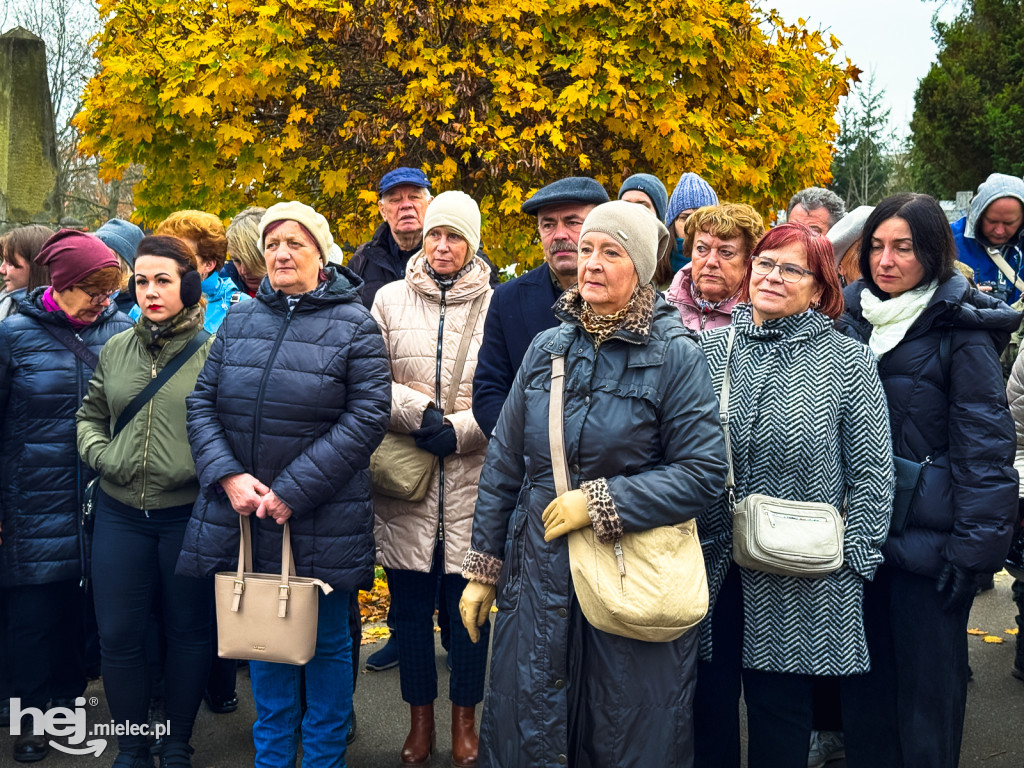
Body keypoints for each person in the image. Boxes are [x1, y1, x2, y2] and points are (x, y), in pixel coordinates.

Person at [460, 200, 728, 767]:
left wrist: (604, 502)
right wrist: (483, 570)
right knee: (533, 730)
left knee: (621, 734)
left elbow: (704, 472)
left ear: (642, 267)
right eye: (586, 250)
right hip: (538, 575)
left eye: (611, 252)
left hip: (630, 577)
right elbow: (504, 464)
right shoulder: (546, 348)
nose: (592, 264)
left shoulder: (675, 355)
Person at [176, 201, 391, 768]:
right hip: (247, 512)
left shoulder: (356, 324)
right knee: (263, 638)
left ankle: (322, 758)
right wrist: (228, 475)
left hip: (322, 515)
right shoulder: (241, 319)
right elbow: (201, 404)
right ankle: (271, 758)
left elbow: (368, 417)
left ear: (322, 254)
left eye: (295, 243)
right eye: (272, 244)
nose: (281, 253)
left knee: (326, 644)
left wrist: (293, 490)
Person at [694, 223, 894, 768]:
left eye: (791, 269)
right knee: (707, 711)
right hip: (712, 565)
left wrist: (854, 564)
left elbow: (873, 473)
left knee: (780, 718)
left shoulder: (846, 361)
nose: (772, 277)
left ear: (820, 288)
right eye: (765, 263)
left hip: (801, 573)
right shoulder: (708, 351)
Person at [837, 193, 1019, 768]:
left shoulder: (959, 330)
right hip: (859, 544)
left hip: (930, 551)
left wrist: (975, 553)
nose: (886, 261)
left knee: (926, 705)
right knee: (864, 703)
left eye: (904, 248)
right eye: (876, 247)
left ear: (934, 252)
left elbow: (986, 450)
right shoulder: (850, 320)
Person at [76, 235, 215, 768]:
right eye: (141, 281)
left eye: (163, 280)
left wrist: (198, 470)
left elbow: (226, 431)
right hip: (120, 515)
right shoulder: (116, 348)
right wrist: (103, 456)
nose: (150, 291)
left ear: (189, 285)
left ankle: (177, 741)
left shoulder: (214, 351)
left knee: (188, 632)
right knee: (118, 635)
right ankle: (133, 745)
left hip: (187, 516)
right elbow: (90, 416)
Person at [370, 191, 493, 767]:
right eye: (435, 235)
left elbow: (507, 390)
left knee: (469, 618)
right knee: (410, 617)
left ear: (473, 242)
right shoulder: (389, 299)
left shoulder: (496, 304)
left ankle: (465, 722)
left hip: (472, 483)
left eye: (454, 236)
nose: (442, 246)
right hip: (407, 486)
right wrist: (419, 414)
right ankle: (419, 722)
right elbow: (370, 378)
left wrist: (463, 429)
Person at [0, 230, 132, 763]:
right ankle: (30, 718)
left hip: (101, 497)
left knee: (83, 614)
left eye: (108, 291)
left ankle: (68, 704)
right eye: (93, 291)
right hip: (31, 496)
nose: (102, 301)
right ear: (60, 283)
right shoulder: (12, 335)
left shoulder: (123, 331)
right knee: (33, 615)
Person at [472, 176, 609, 439]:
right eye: (548, 224)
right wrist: (524, 450)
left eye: (572, 222)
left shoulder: (627, 297)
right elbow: (489, 392)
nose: (559, 234)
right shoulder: (507, 300)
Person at [129, 210, 250, 331]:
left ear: (209, 264)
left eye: (182, 256)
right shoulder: (144, 307)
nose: (171, 262)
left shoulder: (243, 309)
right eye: (166, 255)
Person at [666, 204, 765, 332]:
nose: (711, 262)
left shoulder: (760, 318)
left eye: (726, 252)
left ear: (749, 260)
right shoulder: (663, 306)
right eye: (701, 249)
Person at [950, 173, 1024, 304]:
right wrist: (959, 295)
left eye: (1009, 223)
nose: (999, 231)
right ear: (978, 214)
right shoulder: (948, 240)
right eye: (992, 221)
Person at [617, 174, 672, 289]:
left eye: (643, 207)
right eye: (625, 205)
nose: (633, 212)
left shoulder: (673, 265)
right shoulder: (604, 256)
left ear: (659, 218)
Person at [665, 172, 719, 273]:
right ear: (673, 223)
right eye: (685, 218)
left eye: (702, 218)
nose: (693, 225)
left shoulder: (730, 271)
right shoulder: (651, 268)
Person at [0, 225, 53, 320]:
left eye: (10, 263)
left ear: (36, 266)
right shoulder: (6, 300)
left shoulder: (51, 320)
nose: (2, 270)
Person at [95, 218, 146, 314]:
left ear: (126, 265)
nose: (97, 261)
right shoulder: (81, 297)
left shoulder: (138, 311)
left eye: (107, 255)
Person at [222, 207, 268, 297]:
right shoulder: (217, 291)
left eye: (251, 260)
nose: (243, 271)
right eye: (237, 261)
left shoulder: (295, 295)